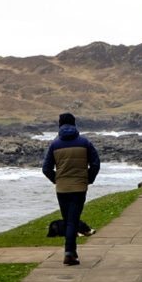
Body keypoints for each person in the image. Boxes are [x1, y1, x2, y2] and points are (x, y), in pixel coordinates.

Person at [42, 112, 100, 266]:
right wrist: (88, 179)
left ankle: (71, 253)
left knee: (69, 220)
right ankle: (69, 253)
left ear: (60, 125)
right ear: (74, 124)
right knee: (72, 220)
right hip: (80, 187)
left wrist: (57, 180)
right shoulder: (85, 143)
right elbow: (95, 163)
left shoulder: (54, 145)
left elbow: (46, 168)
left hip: (62, 189)